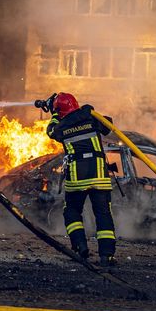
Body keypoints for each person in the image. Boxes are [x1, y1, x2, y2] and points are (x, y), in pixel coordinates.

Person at [44, 93, 117, 267]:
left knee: (72, 211)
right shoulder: (91, 117)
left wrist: (54, 113)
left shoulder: (61, 126)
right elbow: (109, 125)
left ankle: (80, 246)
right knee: (103, 214)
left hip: (78, 177)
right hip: (99, 175)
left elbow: (51, 130)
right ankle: (107, 256)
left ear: (60, 111)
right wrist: (88, 110)